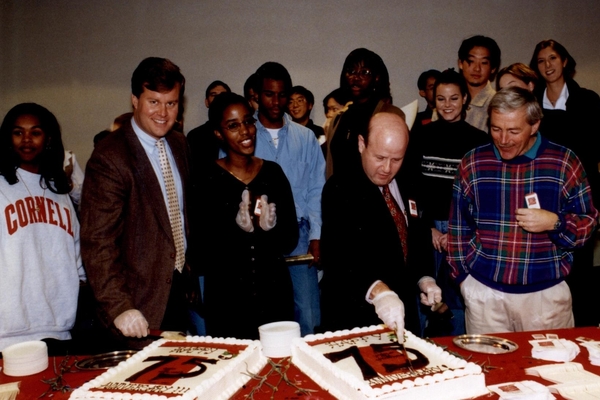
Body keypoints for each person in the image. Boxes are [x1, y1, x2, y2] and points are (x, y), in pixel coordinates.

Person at [447, 87, 598, 334]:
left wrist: (556, 223)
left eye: (513, 131)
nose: (503, 139)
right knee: (491, 372)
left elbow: (588, 225)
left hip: (545, 298)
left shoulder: (563, 162)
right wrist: (464, 280)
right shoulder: (473, 162)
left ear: (535, 125)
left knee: (552, 372)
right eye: (496, 128)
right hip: (485, 297)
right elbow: (457, 228)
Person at [81, 57, 196, 348]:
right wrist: (119, 307)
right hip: (134, 306)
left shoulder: (180, 144)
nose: (163, 113)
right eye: (153, 102)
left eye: (171, 103)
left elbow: (182, 217)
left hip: (179, 293)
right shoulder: (110, 157)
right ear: (135, 100)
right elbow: (98, 242)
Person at [320, 112, 440, 337]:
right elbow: (338, 255)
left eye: (396, 159)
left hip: (403, 313)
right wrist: (378, 291)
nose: (387, 168)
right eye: (380, 157)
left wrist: (425, 278)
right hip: (355, 314)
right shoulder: (340, 188)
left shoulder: (409, 181)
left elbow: (418, 234)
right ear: (361, 143)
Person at [196, 93, 298, 339]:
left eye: (248, 121)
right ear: (219, 134)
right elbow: (201, 252)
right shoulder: (206, 179)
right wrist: (235, 231)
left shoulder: (272, 173)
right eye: (233, 126)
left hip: (273, 296)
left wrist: (270, 228)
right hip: (228, 302)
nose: (245, 131)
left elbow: (289, 240)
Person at [236, 61, 325, 336]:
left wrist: (317, 235)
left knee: (308, 315)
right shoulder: (243, 136)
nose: (276, 101)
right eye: (269, 94)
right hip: (255, 239)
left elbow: (316, 188)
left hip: (299, 235)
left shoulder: (306, 137)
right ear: (256, 95)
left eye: (282, 94)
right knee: (264, 316)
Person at [406, 69, 488, 336]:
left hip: (462, 231)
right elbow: (411, 187)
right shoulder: (419, 136)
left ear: (465, 98)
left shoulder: (478, 141)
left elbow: (479, 194)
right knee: (422, 293)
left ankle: (460, 351)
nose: (447, 105)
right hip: (426, 229)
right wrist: (427, 227)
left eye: (454, 98)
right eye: (441, 99)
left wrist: (456, 231)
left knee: (458, 298)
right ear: (433, 99)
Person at [0, 103, 86, 353]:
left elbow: (76, 255)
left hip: (58, 328)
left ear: (48, 138)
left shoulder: (59, 190)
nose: (26, 140)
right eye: (18, 132)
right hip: (8, 332)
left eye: (35, 132)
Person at [530, 39, 600, 327]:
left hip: (581, 196)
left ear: (565, 61)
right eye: (542, 60)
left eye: (553, 58)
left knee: (580, 272)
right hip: (545, 196)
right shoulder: (533, 104)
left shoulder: (588, 100)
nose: (548, 65)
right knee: (547, 271)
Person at [328, 48, 405, 178]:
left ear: (376, 77)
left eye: (364, 72)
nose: (356, 77)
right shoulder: (339, 118)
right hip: (338, 195)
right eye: (351, 71)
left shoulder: (391, 114)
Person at [457, 35, 501, 132]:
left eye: (484, 62)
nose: (477, 68)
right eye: (471, 61)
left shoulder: (498, 103)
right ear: (460, 63)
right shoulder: (448, 100)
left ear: (493, 68)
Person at [187, 80, 231, 162]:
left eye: (223, 95)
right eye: (213, 95)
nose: (218, 98)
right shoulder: (195, 136)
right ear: (206, 102)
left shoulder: (238, 131)